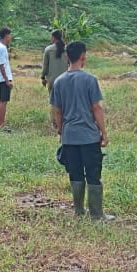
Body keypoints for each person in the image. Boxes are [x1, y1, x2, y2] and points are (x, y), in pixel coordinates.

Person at [51, 41, 109, 220]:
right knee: (93, 174)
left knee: (75, 173)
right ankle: (97, 215)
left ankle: (78, 211)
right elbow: (96, 108)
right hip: (89, 136)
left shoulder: (59, 82)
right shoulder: (90, 80)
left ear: (67, 57)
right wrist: (104, 133)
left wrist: (61, 131)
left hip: (70, 137)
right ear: (83, 56)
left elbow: (58, 111)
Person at [41, 29, 68, 130]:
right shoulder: (66, 49)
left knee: (53, 101)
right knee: (64, 101)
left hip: (52, 80)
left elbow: (45, 67)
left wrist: (43, 77)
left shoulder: (48, 50)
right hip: (66, 79)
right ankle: (64, 121)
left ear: (53, 37)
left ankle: (54, 123)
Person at [0, 26, 13, 131]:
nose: (11, 37)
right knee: (4, 101)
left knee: (1, 100)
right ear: (6, 36)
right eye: (10, 35)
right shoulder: (2, 48)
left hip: (1, 78)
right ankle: (1, 123)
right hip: (3, 78)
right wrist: (7, 80)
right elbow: (2, 65)